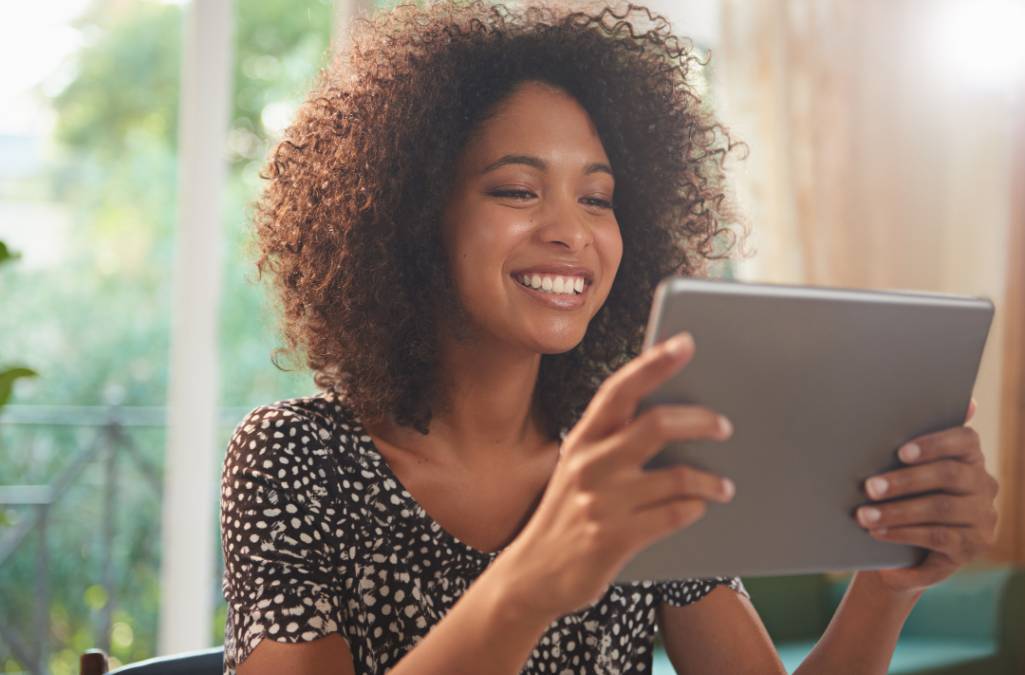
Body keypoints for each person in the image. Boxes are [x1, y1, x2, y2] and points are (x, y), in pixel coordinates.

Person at [219, 2, 1000, 673]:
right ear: (414, 216)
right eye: (519, 190)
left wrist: (890, 579)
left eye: (597, 197)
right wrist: (538, 575)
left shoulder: (632, 453)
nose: (570, 232)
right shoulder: (296, 458)